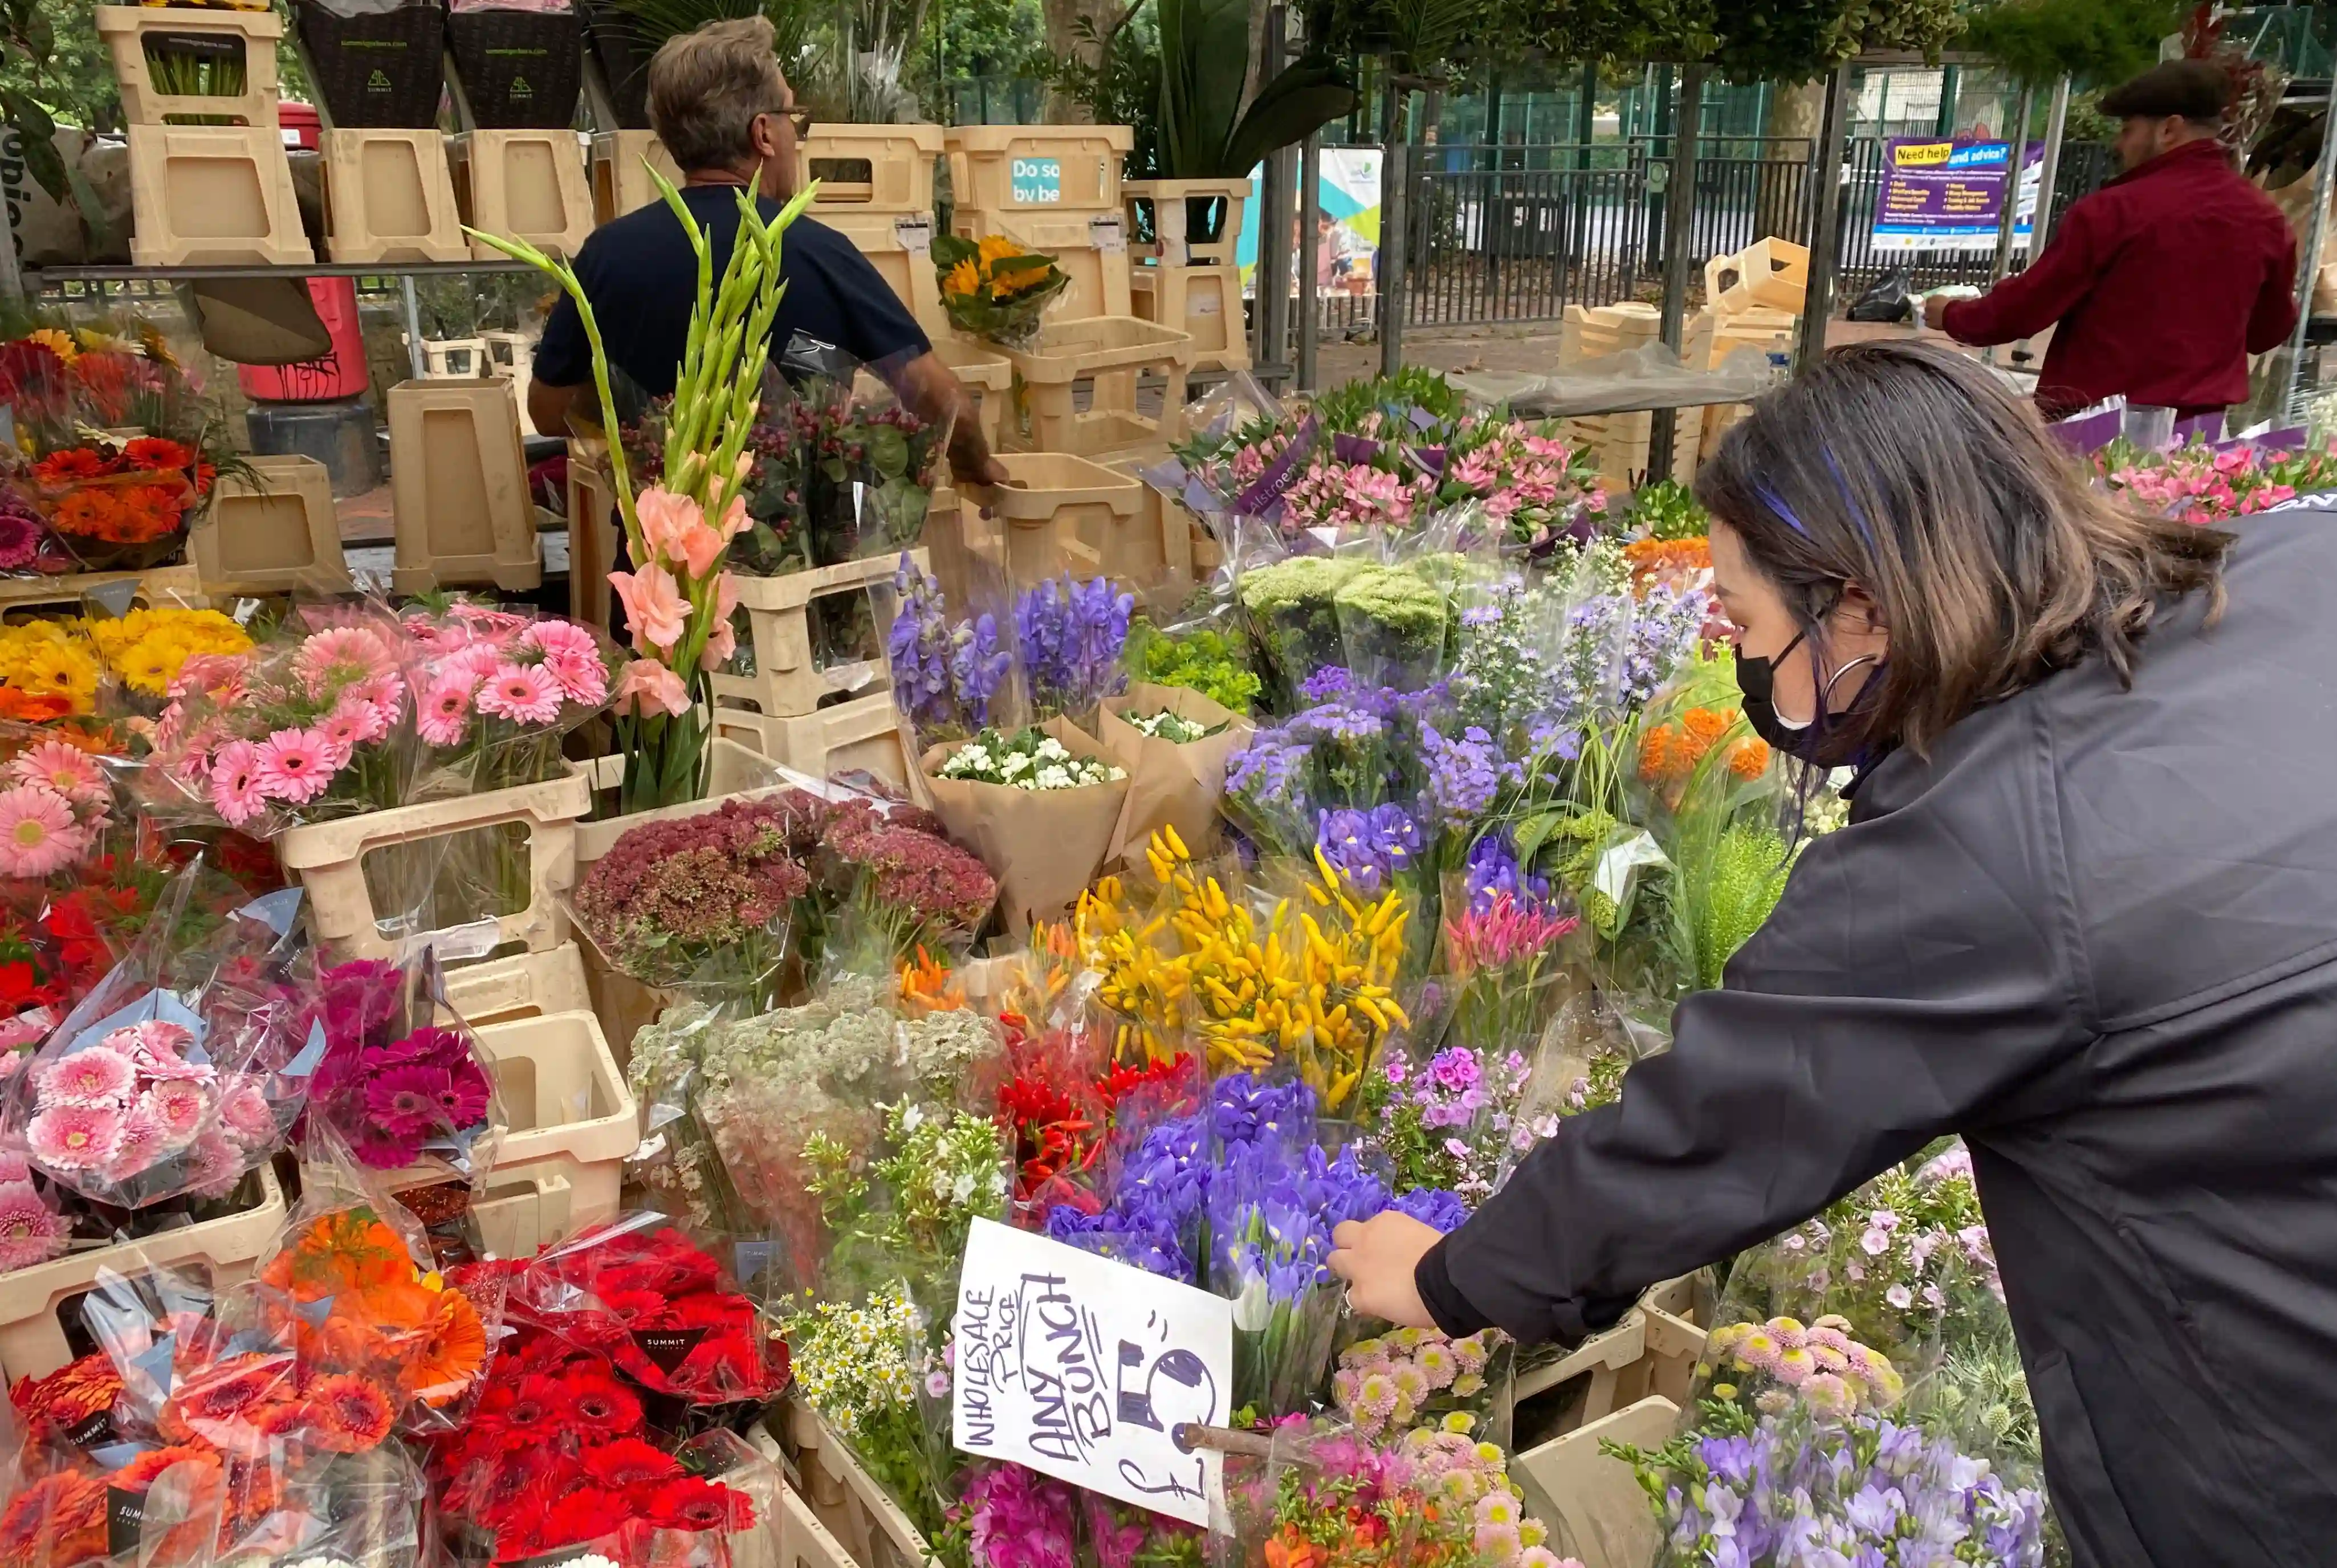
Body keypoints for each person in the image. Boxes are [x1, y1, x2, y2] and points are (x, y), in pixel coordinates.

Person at [1329, 341, 2337, 1564]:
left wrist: (1447, 1278)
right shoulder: (2295, 568)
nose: (1746, 663)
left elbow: (1725, 1117)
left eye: (1745, 622)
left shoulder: (1989, 844)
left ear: (1857, 606)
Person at [528, 17, 1004, 488]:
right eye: (794, 118)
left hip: (660, 558)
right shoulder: (820, 254)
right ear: (763, 134)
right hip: (800, 558)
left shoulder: (606, 256)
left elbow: (548, 412)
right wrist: (978, 468)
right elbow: (945, 407)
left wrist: (653, 426)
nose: (797, 136)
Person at [1921, 59, 2298, 422]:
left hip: (2097, 427)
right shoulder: (2266, 218)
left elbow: (2026, 308)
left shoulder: (2114, 211)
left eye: (2128, 130)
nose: (2119, 145)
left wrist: (1951, 314)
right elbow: (2269, 332)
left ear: (2169, 129)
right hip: (2199, 434)